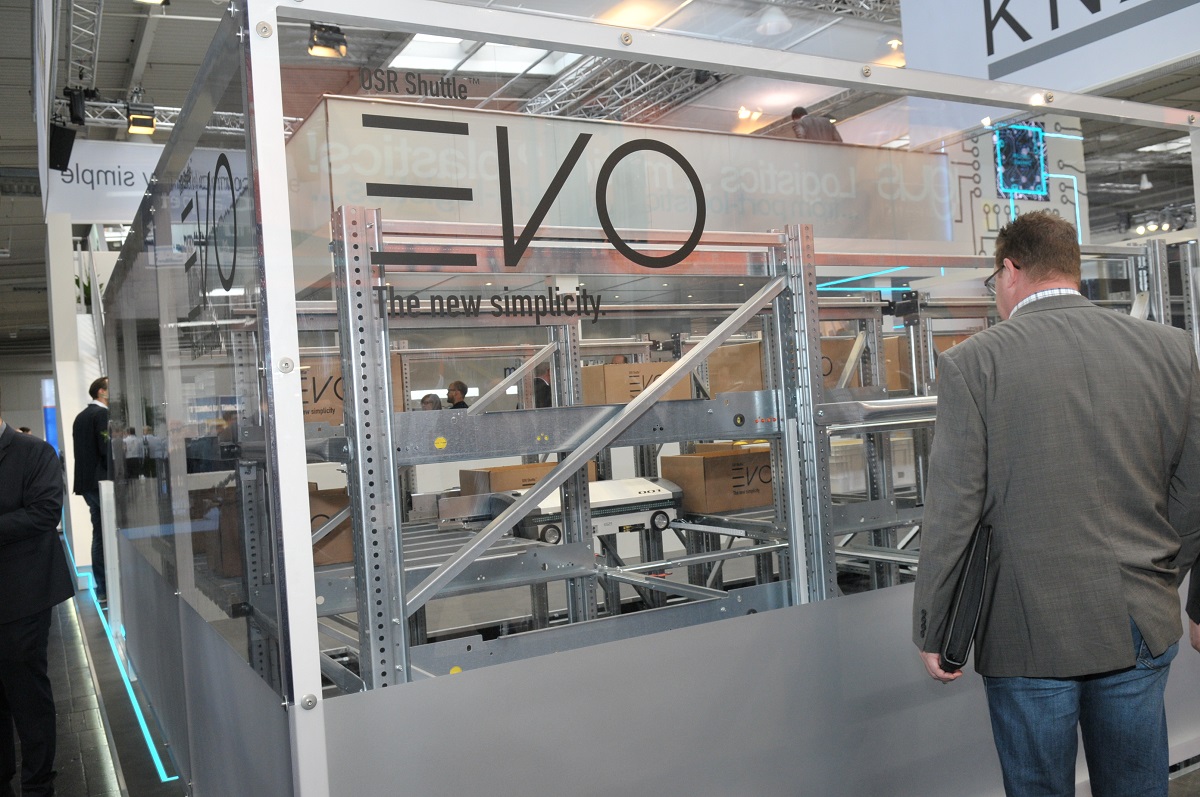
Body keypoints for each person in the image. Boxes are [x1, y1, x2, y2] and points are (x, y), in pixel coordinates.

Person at [912, 211, 1200, 796]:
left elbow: (953, 512)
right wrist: (1158, 573)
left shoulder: (973, 363)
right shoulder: (1171, 349)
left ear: (1010, 269)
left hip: (1024, 628)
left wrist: (934, 626)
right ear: (1073, 268)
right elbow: (1192, 487)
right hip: (1138, 616)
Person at [0, 387, 76, 797]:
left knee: (26, 692)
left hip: (23, 594)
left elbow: (45, 513)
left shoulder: (34, 452)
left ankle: (38, 783)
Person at [72, 376, 110, 598]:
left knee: (99, 534)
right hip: (101, 483)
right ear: (101, 392)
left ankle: (103, 587)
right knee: (107, 534)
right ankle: (108, 586)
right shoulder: (101, 414)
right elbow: (105, 450)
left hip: (87, 484)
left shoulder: (81, 416)